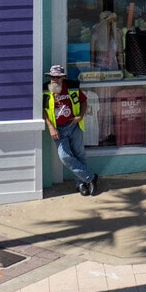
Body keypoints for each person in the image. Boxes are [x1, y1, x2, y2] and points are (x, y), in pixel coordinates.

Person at [44, 64, 98, 196]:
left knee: (79, 155)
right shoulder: (46, 90)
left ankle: (80, 184)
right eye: (52, 77)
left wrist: (80, 116)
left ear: (63, 78)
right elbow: (42, 111)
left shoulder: (71, 88)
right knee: (65, 156)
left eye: (57, 77)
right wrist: (50, 127)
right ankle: (90, 178)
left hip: (73, 126)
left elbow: (84, 102)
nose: (54, 80)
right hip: (58, 129)